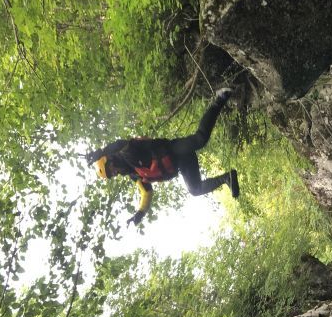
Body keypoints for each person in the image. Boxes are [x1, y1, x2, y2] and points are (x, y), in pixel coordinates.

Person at [87, 88, 239, 225]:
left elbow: (121, 143)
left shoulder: (126, 153)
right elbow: (146, 193)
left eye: (110, 169)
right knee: (195, 189)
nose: (114, 173)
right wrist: (140, 213)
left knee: (200, 139)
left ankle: (220, 98)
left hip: (174, 150)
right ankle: (227, 178)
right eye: (111, 175)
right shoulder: (134, 175)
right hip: (181, 163)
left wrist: (101, 151)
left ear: (110, 160)